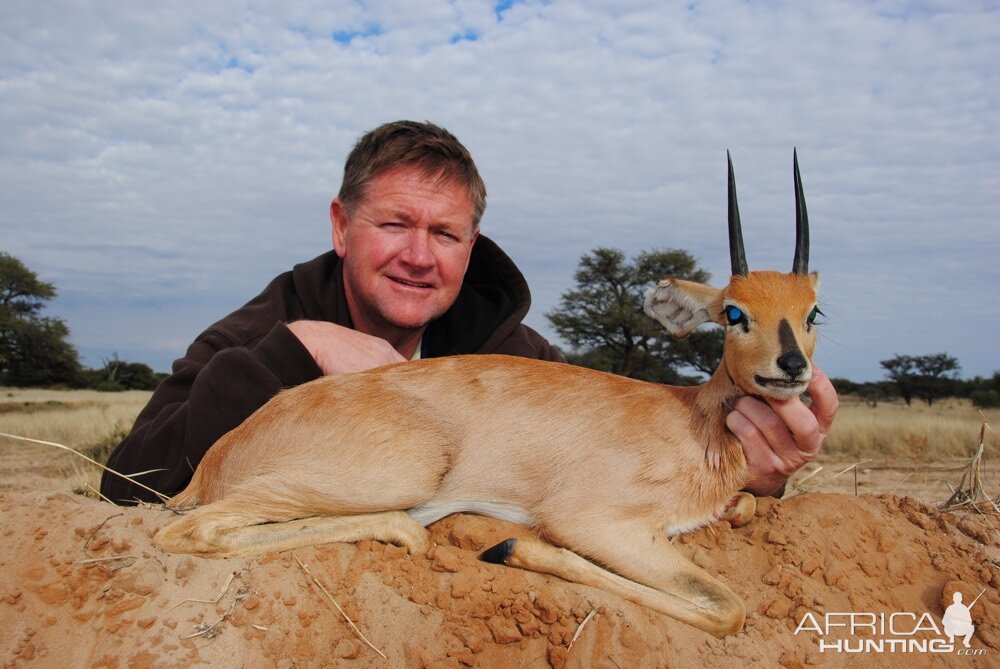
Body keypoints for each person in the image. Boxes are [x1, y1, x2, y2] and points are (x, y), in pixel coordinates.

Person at [101, 120, 837, 505]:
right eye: (394, 223)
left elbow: (613, 445)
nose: (420, 256)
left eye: (445, 233)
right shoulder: (259, 330)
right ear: (339, 227)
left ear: (471, 243)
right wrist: (299, 349)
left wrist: (750, 462)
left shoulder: (508, 348)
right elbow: (127, 485)